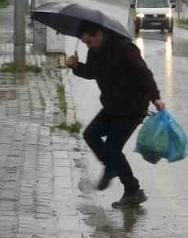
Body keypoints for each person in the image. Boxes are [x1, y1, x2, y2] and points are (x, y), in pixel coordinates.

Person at [66, 21, 165, 209]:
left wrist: (156, 98)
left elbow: (144, 74)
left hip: (132, 107)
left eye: (90, 41)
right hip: (112, 106)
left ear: (99, 34)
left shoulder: (125, 48)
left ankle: (132, 190)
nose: (89, 45)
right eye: (86, 43)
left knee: (112, 147)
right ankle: (113, 169)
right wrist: (76, 66)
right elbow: (93, 72)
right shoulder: (95, 51)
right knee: (91, 134)